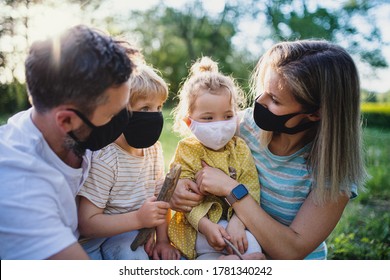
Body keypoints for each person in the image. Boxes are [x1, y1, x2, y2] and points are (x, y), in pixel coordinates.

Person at [171, 40, 367, 260]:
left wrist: (232, 189)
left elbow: (292, 250)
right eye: (265, 90)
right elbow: (194, 153)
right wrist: (177, 187)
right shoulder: (243, 127)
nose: (259, 101)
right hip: (234, 248)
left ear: (315, 114)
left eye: (274, 99)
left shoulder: (334, 171)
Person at [0, 25, 137, 259]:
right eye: (112, 115)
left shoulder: (71, 133)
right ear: (66, 120)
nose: (121, 122)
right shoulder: (18, 188)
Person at [77, 62, 180, 260]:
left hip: (136, 231)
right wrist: (138, 219)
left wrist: (163, 241)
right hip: (98, 239)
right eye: (145, 108)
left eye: (158, 107)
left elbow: (160, 200)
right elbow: (87, 223)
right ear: (119, 114)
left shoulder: (153, 151)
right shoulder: (105, 159)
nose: (155, 116)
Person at [167, 57, 262, 260]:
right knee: (204, 253)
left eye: (227, 116)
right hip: (200, 227)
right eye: (208, 118)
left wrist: (238, 223)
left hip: (235, 221)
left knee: (252, 244)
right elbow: (186, 200)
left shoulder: (240, 148)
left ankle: (235, 261)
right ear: (188, 121)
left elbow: (251, 187)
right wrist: (206, 226)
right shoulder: (187, 150)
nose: (219, 124)